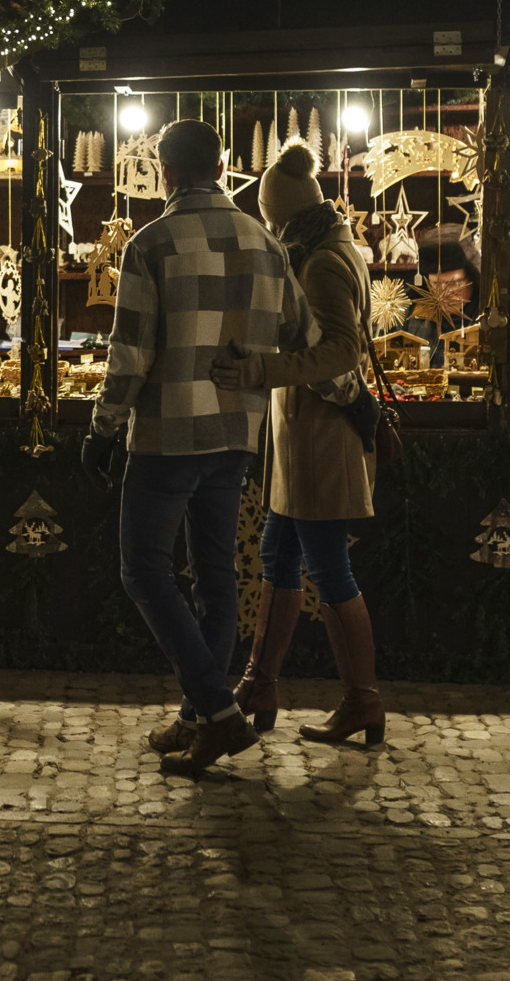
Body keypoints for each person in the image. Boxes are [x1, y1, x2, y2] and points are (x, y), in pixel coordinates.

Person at [82, 118, 303, 776]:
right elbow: (303, 333)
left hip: (169, 432)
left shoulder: (151, 244)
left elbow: (130, 356)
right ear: (222, 163)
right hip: (236, 431)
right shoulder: (266, 244)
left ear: (166, 170)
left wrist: (101, 428)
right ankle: (198, 719)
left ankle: (219, 710)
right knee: (216, 580)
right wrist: (258, 373)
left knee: (144, 569)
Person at [210, 140, 386, 747]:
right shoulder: (323, 246)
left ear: (277, 214)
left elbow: (341, 352)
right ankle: (261, 682)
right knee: (277, 555)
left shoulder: (320, 262)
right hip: (303, 435)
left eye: (265, 215)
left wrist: (262, 369)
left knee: (328, 567)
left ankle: (362, 700)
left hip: (323, 437)